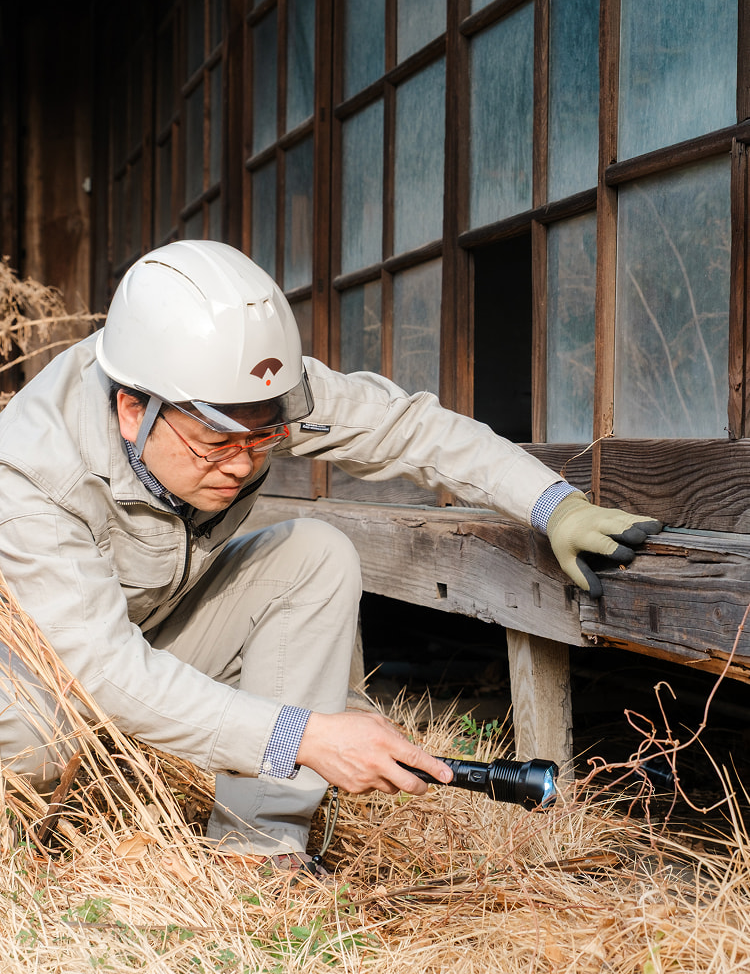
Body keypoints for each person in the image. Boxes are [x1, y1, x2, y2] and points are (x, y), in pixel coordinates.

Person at [0, 240, 661, 870]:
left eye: (262, 440)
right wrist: (308, 737)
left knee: (314, 556)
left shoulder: (243, 396)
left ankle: (260, 849)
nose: (242, 465)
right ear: (131, 411)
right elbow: (106, 673)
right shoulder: (34, 475)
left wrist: (553, 504)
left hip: (147, 629)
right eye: (217, 445)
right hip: (38, 670)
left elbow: (403, 427)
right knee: (36, 739)